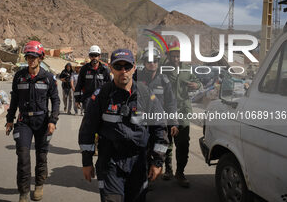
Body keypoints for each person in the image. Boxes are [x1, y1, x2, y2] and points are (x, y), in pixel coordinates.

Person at [79, 49, 169, 202]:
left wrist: (157, 161)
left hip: (139, 162)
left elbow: (159, 127)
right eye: (118, 67)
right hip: (109, 163)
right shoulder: (102, 95)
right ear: (111, 68)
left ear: (134, 68)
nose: (123, 71)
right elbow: (88, 128)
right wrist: (87, 162)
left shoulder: (146, 94)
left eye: (127, 67)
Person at [5, 41, 60, 202]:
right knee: (23, 156)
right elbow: (14, 99)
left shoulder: (48, 77)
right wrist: (9, 119)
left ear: (41, 57)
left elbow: (56, 101)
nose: (31, 60)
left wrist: (53, 120)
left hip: (43, 122)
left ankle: (39, 185)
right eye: (28, 56)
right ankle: (23, 192)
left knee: (41, 156)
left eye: (34, 56)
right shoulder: (19, 76)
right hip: (24, 122)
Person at [162, 41, 202, 188]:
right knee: (166, 143)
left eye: (178, 56)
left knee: (183, 144)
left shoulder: (188, 69)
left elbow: (199, 83)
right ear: (169, 56)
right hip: (166, 111)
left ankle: (180, 172)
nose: (176, 59)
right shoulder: (163, 69)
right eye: (173, 56)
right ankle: (168, 169)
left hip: (183, 111)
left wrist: (196, 85)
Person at [137, 47, 179, 180]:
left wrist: (173, 122)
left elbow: (171, 103)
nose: (152, 63)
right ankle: (145, 179)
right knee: (142, 151)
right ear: (144, 62)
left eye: (155, 60)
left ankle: (163, 169)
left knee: (160, 148)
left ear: (158, 62)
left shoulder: (164, 81)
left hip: (158, 123)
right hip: (141, 123)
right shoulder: (136, 78)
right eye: (149, 61)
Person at [74, 45, 111, 112]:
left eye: (96, 55)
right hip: (88, 99)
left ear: (99, 56)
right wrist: (77, 100)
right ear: (89, 56)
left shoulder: (105, 70)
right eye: (92, 55)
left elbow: (110, 85)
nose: (94, 58)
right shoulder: (84, 69)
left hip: (102, 100)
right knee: (89, 120)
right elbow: (79, 84)